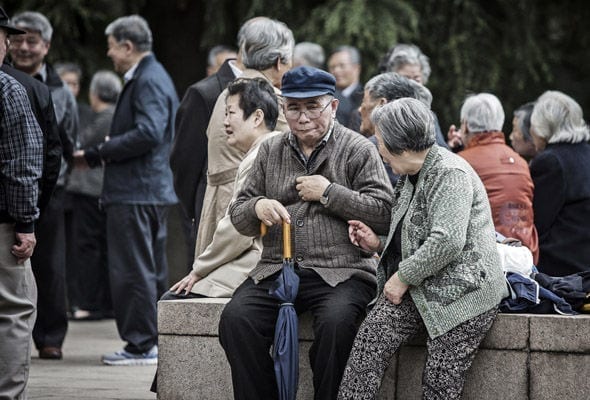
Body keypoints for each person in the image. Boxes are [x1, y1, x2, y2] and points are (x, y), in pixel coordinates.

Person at [219, 66, 394, 400]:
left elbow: (385, 214)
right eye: (293, 107)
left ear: (332, 106)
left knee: (337, 324)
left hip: (342, 271)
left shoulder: (358, 149)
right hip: (276, 268)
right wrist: (257, 207)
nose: (302, 117)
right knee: (236, 320)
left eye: (312, 106)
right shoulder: (270, 150)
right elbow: (239, 213)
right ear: (283, 108)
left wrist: (330, 193)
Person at [337, 98, 508, 400]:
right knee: (369, 341)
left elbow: (447, 241)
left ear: (398, 144)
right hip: (423, 282)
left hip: (466, 290)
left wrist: (402, 277)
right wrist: (377, 244)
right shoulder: (410, 174)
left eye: (380, 141)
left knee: (440, 380)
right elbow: (414, 234)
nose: (378, 148)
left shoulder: (449, 173)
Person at [75, 15, 178, 365]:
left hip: (136, 190)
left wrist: (100, 151)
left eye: (111, 47)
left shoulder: (147, 78)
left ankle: (141, 344)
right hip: (147, 188)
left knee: (133, 270)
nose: (109, 55)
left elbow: (149, 132)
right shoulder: (154, 75)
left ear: (127, 46)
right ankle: (149, 341)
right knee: (147, 269)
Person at [165, 77, 281, 299]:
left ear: (257, 117)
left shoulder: (261, 156)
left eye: (230, 113)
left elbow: (238, 230)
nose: (224, 122)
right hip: (259, 259)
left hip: (257, 262)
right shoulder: (271, 148)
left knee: (174, 298)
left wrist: (199, 269)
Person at [10, 10, 79, 361]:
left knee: (51, 267)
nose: (23, 47)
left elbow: (64, 143)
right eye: (17, 39)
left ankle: (51, 336)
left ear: (46, 46)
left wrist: (46, 189)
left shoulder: (59, 90)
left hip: (50, 190)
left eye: (31, 41)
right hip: (10, 190)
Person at [194, 17, 293, 257]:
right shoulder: (266, 96)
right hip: (242, 209)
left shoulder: (228, 92)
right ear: (279, 62)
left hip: (216, 200)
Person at [0, 13, 44, 398]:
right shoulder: (7, 91)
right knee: (12, 310)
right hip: (1, 226)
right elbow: (22, 163)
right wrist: (25, 222)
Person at [169, 36, 241, 272]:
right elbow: (184, 161)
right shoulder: (204, 93)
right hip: (208, 202)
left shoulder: (268, 92)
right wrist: (196, 206)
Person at [449, 93, 539, 263]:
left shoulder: (460, 163)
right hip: (525, 256)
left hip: (485, 257)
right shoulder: (521, 163)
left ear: (466, 126)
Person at [66, 70, 121, 320]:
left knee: (88, 248)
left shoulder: (104, 118)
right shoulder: (116, 115)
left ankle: (90, 303)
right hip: (101, 190)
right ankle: (102, 301)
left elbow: (80, 145)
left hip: (90, 190)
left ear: (94, 92)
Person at [529, 90, 590, 277]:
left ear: (543, 127)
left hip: (563, 268)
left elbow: (538, 225)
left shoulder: (550, 162)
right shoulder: (586, 153)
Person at [328, 45, 363, 131]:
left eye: (342, 66)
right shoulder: (327, 97)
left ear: (356, 68)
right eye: (332, 67)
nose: (336, 71)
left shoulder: (365, 97)